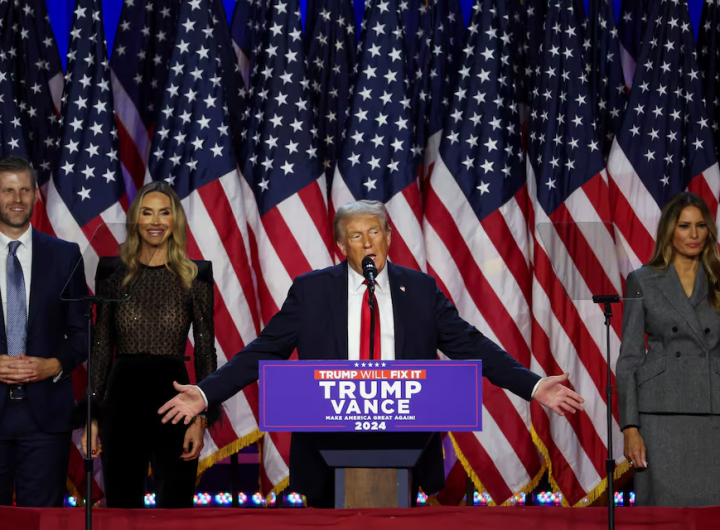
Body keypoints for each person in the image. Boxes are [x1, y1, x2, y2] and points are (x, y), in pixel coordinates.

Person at [159, 200, 584, 508]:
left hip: (404, 439)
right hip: (328, 442)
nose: (368, 242)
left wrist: (532, 385)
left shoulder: (419, 289)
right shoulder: (311, 290)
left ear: (390, 237)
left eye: (375, 232)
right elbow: (263, 350)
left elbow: (470, 344)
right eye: (356, 235)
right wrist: (206, 393)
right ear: (341, 246)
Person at [82, 181, 217, 508]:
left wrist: (201, 420)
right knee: (121, 503)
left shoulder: (196, 274)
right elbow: (101, 346)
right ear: (135, 220)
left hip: (177, 399)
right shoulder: (112, 272)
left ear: (176, 221)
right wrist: (93, 416)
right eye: (147, 212)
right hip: (122, 397)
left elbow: (204, 350)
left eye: (164, 213)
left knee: (176, 503)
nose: (155, 221)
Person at [617, 192, 720, 507]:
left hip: (713, 407)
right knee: (662, 515)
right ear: (669, 231)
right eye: (685, 226)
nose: (694, 235)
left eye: (701, 226)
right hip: (659, 414)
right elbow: (630, 359)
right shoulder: (642, 281)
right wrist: (630, 427)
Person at [0, 156, 88, 507]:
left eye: (24, 189)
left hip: (46, 419)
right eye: (7, 190)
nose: (17, 198)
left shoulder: (66, 256)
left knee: (43, 521)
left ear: (37, 195)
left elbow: (83, 331)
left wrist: (55, 364)